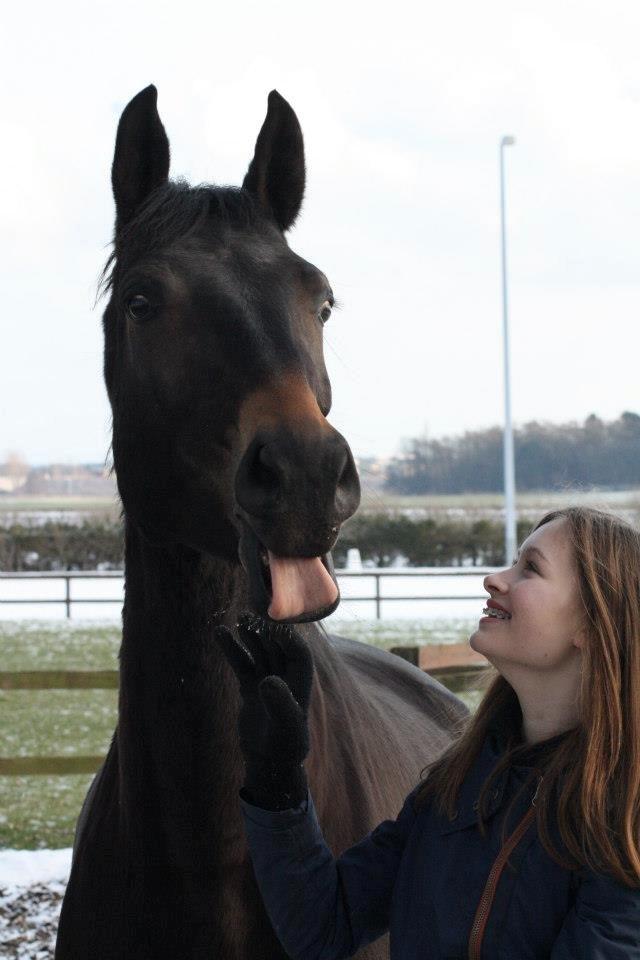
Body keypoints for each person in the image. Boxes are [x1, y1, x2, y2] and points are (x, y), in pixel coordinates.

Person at [214, 507, 640, 958]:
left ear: (592, 625)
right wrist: (276, 777)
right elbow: (324, 926)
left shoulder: (622, 821)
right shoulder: (457, 784)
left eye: (530, 568)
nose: (495, 579)